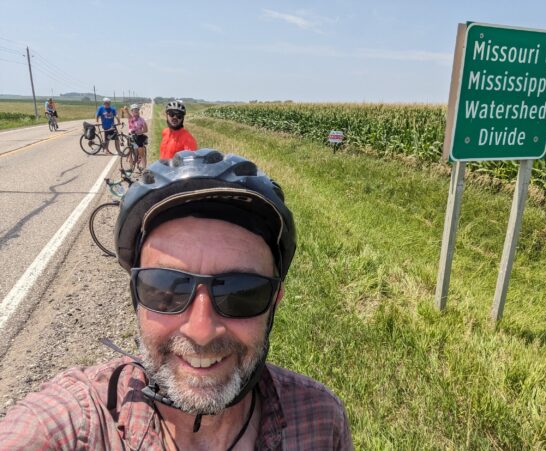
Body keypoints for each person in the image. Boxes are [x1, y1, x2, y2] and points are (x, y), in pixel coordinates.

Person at [0, 149, 353, 449]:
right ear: (136, 297)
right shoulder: (69, 427)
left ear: (275, 301)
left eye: (240, 292)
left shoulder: (322, 422)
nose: (202, 331)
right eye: (167, 289)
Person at [127, 103, 148, 169]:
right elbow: (128, 114)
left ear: (138, 111)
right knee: (130, 152)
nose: (135, 111)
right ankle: (130, 168)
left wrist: (140, 131)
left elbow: (146, 130)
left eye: (137, 110)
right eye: (134, 110)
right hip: (131, 137)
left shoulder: (142, 120)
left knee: (141, 153)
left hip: (139, 137)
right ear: (132, 111)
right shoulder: (131, 118)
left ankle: (144, 168)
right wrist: (126, 109)